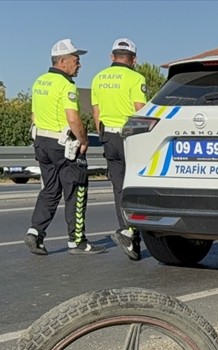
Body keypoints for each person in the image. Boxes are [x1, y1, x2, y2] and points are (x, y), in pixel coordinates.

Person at [24, 39, 103, 255]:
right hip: (63, 145)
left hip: (42, 142)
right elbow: (73, 118)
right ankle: (77, 241)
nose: (79, 65)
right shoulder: (66, 85)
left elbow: (34, 115)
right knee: (76, 189)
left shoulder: (39, 82)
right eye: (76, 60)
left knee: (50, 189)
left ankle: (35, 232)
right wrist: (84, 141)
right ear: (62, 61)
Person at [92, 38, 148, 261]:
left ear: (112, 57)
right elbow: (140, 110)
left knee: (119, 187)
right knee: (137, 184)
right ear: (134, 59)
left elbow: (96, 114)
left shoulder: (98, 78)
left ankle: (126, 231)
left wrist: (103, 137)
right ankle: (133, 232)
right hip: (129, 137)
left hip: (108, 137)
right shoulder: (136, 78)